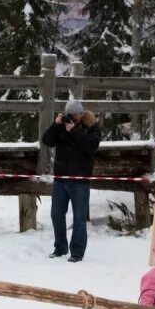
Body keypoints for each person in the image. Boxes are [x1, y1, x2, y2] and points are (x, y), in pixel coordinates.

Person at [41, 99, 101, 262]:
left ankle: (77, 252)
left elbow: (91, 146)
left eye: (75, 115)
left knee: (79, 217)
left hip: (80, 179)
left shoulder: (92, 126)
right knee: (56, 214)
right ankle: (60, 247)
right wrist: (56, 125)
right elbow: (47, 140)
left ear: (81, 114)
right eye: (70, 115)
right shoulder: (62, 125)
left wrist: (74, 131)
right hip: (61, 178)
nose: (72, 118)